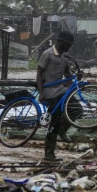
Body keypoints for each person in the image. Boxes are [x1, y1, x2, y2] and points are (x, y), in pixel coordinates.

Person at [37, 31, 82, 161]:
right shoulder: (47, 54)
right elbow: (39, 73)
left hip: (60, 90)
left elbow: (67, 74)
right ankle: (49, 153)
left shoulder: (65, 57)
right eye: (68, 45)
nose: (69, 47)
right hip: (49, 91)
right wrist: (41, 92)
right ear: (61, 42)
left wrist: (74, 78)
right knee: (54, 120)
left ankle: (63, 130)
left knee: (77, 109)